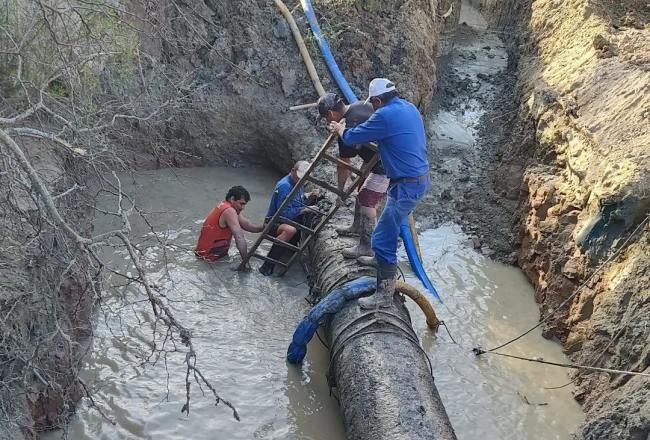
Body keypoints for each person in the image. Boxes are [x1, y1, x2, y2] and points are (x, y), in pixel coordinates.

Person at [328, 78, 430, 309]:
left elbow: (353, 137)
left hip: (407, 184)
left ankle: (383, 296)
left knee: (383, 237)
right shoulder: (409, 107)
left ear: (376, 100)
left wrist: (340, 128)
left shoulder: (383, 115)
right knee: (388, 229)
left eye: (373, 103)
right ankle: (377, 261)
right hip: (413, 178)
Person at [317, 92, 389, 260]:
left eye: (326, 118)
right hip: (381, 155)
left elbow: (344, 163)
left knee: (367, 199)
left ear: (330, 114)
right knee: (361, 186)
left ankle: (367, 246)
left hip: (386, 162)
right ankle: (357, 227)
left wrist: (340, 192)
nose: (327, 122)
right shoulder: (358, 106)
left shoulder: (348, 126)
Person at [259, 160, 315, 276]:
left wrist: (306, 197)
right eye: (299, 177)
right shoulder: (285, 186)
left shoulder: (298, 184)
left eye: (303, 178)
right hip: (274, 223)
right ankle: (266, 267)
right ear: (292, 171)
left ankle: (285, 255)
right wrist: (304, 209)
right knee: (290, 230)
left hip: (288, 221)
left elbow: (295, 202)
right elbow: (284, 213)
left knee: (295, 230)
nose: (301, 180)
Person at [195, 185, 264, 270]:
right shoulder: (229, 211)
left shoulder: (228, 207)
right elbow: (239, 237)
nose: (243, 208)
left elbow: (248, 225)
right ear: (232, 199)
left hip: (205, 257)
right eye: (241, 204)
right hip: (210, 261)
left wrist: (264, 227)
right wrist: (246, 263)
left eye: (244, 204)